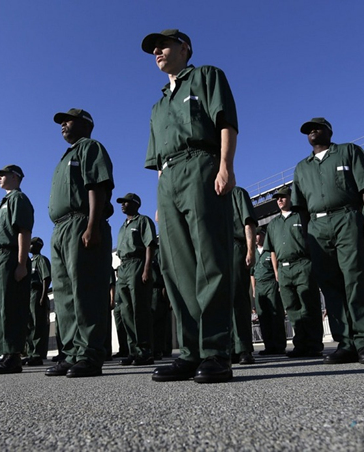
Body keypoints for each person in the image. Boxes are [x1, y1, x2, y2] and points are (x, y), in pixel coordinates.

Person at [142, 29, 238, 383]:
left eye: (163, 45)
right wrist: (159, 197)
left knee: (210, 258)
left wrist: (225, 166)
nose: (157, 51)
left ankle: (216, 352)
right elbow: (157, 158)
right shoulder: (158, 105)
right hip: (168, 179)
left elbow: (225, 122)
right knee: (176, 267)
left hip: (201, 165)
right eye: (153, 49)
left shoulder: (206, 76)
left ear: (185, 48)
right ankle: (190, 351)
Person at [291, 117, 364, 364]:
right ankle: (345, 342)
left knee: (356, 277)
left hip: (347, 217)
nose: (312, 132)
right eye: (308, 130)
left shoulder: (349, 151)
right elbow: (300, 208)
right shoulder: (301, 168)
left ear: (329, 131)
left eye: (317, 128)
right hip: (317, 226)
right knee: (329, 284)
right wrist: (306, 236)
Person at [45, 108, 114, 378]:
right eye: (61, 122)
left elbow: (97, 186)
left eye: (68, 120)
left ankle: (90, 354)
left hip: (81, 222)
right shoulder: (65, 157)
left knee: (86, 292)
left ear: (86, 124)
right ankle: (72, 353)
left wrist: (92, 225)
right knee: (65, 295)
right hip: (60, 228)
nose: (63, 124)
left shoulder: (90, 148)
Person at [0, 164, 34, 375]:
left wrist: (21, 264)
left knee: (10, 307)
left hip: (9, 256)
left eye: (2, 175)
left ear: (15, 176)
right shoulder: (3, 202)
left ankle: (13, 355)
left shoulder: (18, 199)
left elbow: (23, 231)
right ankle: (2, 353)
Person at [264, 186, 324, 358]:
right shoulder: (273, 224)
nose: (279, 200)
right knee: (292, 308)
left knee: (309, 305)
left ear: (291, 198)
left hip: (302, 264)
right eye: (277, 198)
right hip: (283, 269)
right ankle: (300, 344)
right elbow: (272, 250)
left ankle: (313, 344)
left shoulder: (301, 217)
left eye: (283, 197)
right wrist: (276, 271)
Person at [115, 193, 157, 366]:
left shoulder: (143, 221)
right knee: (125, 311)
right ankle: (133, 351)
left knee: (139, 309)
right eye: (122, 202)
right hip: (123, 267)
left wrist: (146, 269)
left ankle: (145, 351)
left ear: (136, 204)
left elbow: (150, 245)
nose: (123, 205)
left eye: (126, 202)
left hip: (137, 264)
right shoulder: (122, 227)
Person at [230, 186, 258, 365]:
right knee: (221, 302)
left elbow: (249, 223)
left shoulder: (237, 193)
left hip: (234, 247)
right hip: (214, 250)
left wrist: (250, 250)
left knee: (238, 298)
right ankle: (229, 347)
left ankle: (243, 348)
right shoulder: (207, 195)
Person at [251, 230, 286, 355]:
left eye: (258, 234)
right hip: (259, 286)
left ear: (263, 235)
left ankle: (279, 345)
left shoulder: (270, 251)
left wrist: (278, 282)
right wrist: (254, 289)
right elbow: (252, 273)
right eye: (254, 235)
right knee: (263, 317)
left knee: (276, 315)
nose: (256, 237)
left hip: (271, 283)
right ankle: (269, 346)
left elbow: (277, 268)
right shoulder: (253, 252)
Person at [25, 237, 51, 366]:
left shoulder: (41, 260)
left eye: (31, 244)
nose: (28, 246)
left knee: (37, 324)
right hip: (28, 294)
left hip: (37, 292)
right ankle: (30, 353)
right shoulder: (29, 261)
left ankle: (38, 354)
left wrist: (43, 296)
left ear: (37, 245)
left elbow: (46, 278)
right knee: (29, 325)